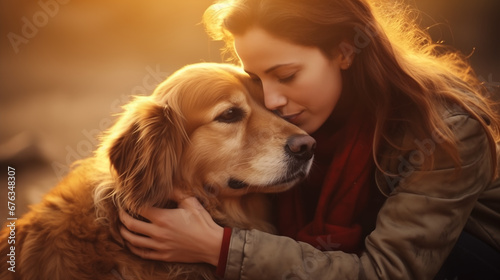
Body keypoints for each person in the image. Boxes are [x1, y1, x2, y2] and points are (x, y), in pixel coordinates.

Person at [118, 0, 500, 278]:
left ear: (345, 52)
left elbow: (387, 273)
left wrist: (219, 248)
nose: (271, 101)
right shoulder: (304, 120)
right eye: (257, 80)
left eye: (286, 76)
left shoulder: (446, 132)